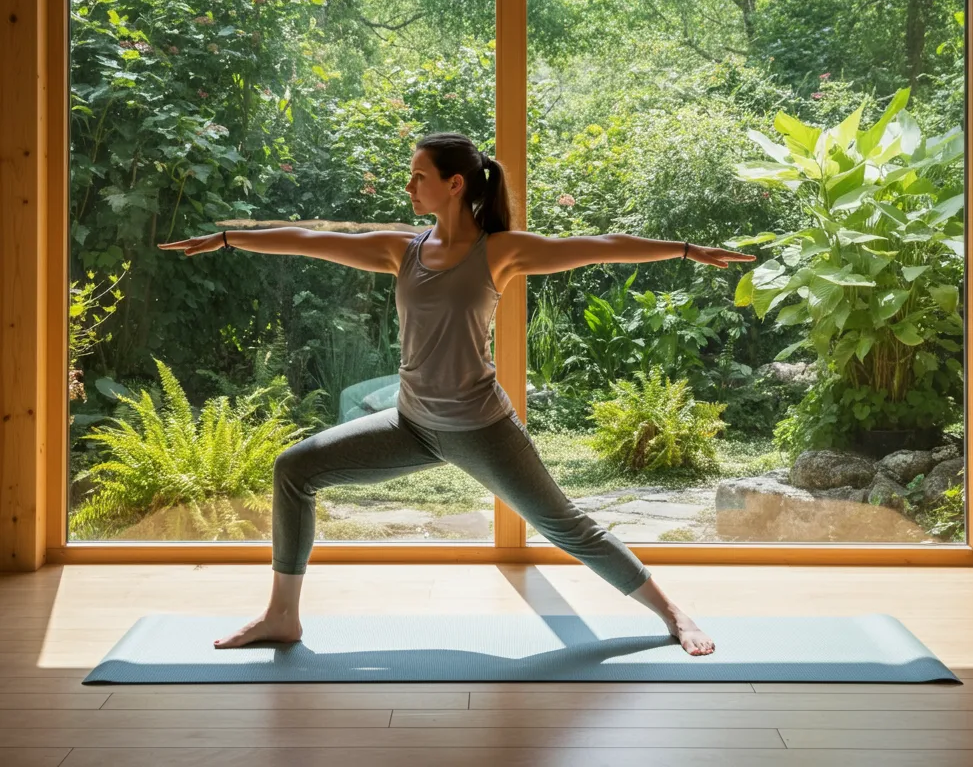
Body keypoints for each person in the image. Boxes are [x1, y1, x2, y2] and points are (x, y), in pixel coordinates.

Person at [159, 132, 754, 656]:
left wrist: (685, 251)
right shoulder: (403, 248)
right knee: (294, 468)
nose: (410, 187)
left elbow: (602, 243)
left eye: (419, 176)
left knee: (566, 527)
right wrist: (232, 238)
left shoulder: (500, 251)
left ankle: (673, 612)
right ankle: (282, 616)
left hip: (482, 429)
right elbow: (309, 240)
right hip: (411, 424)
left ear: (455, 183)